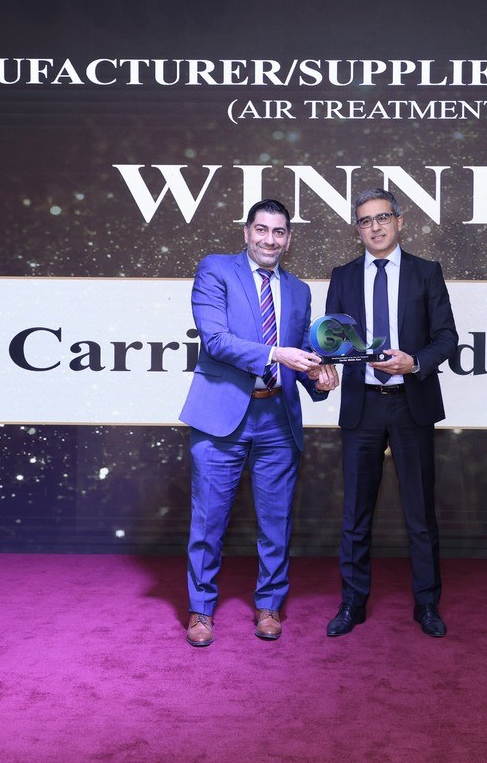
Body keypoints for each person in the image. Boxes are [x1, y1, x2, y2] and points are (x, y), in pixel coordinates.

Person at [179, 198, 338, 647]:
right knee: (208, 521)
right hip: (221, 417)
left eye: (279, 231)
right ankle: (201, 609)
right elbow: (216, 340)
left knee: (276, 522)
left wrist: (320, 378)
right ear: (246, 232)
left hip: (277, 419)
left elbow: (300, 357)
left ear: (289, 239)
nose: (270, 239)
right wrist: (275, 353)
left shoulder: (299, 290)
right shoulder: (216, 269)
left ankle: (269, 605)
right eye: (262, 230)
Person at [324, 188, 458, 638]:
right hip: (361, 405)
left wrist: (414, 362)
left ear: (400, 222)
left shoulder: (426, 272)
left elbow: (446, 337)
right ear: (357, 230)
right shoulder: (343, 276)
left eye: (383, 218)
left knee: (420, 514)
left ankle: (427, 604)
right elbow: (332, 340)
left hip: (410, 402)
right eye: (365, 221)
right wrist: (327, 363)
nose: (375, 227)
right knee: (355, 514)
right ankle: (352, 603)